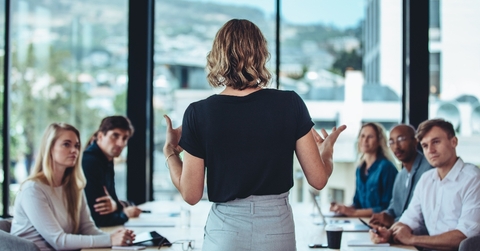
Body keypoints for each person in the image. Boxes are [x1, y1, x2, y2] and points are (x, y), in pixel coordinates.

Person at [163, 19, 346, 251]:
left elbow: (191, 194)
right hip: (276, 227)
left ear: (218, 55)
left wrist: (170, 152)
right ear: (261, 54)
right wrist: (326, 150)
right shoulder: (290, 103)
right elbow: (318, 180)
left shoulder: (198, 113)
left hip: (225, 231)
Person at [10, 123, 134, 251]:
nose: (74, 150)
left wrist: (117, 238)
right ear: (50, 148)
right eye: (66, 144)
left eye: (77, 146)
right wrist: (109, 240)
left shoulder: (74, 186)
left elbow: (88, 229)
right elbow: (58, 241)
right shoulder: (33, 189)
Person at [370, 119, 480, 250]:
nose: (431, 150)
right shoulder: (426, 179)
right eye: (425, 146)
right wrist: (389, 233)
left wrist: (412, 239)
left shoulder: (473, 179)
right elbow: (408, 220)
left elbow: (464, 236)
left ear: (454, 142)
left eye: (436, 142)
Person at [82, 116, 142, 227]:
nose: (120, 143)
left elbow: (113, 201)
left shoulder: (106, 160)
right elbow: (99, 219)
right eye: (115, 136)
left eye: (125, 138)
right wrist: (125, 213)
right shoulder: (90, 161)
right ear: (100, 136)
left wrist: (117, 206)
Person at [369, 124, 432, 228]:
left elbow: (423, 216)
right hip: (398, 233)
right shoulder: (400, 175)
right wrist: (384, 216)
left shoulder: (429, 170)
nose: (396, 146)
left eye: (401, 139)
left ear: (415, 141)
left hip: (417, 236)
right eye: (391, 142)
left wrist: (393, 221)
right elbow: (393, 208)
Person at [330, 122, 398, 217]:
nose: (365, 140)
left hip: (379, 225)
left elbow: (387, 208)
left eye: (370, 137)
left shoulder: (387, 168)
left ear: (379, 141)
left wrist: (354, 213)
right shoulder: (359, 169)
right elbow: (357, 204)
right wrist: (342, 209)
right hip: (361, 222)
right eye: (362, 136)